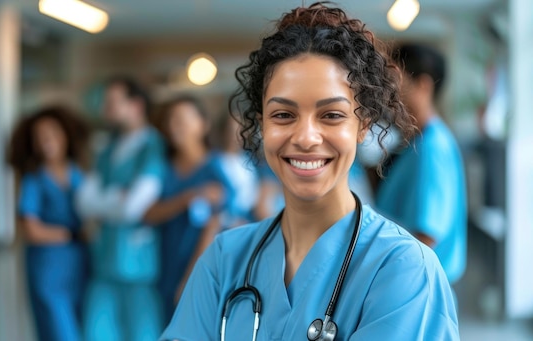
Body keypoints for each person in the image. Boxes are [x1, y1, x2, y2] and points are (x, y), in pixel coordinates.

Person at [160, 3, 459, 340]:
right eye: (283, 115)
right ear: (261, 126)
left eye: (331, 115)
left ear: (362, 126)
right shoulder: (224, 260)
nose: (304, 137)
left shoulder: (404, 269)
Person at [75, 76, 166, 341]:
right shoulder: (107, 149)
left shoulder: (152, 146)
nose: (106, 109)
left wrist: (105, 200)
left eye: (113, 102)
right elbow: (82, 202)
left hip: (138, 266)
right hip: (104, 261)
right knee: (97, 332)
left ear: (136, 105)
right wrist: (118, 197)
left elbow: (133, 208)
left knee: (142, 333)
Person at [376, 43, 467, 284]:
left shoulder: (432, 148)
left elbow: (426, 235)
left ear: (423, 86)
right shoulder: (418, 142)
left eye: (397, 83)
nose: (389, 94)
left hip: (417, 282)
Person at [143, 95, 232, 325]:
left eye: (183, 119)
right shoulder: (163, 168)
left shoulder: (214, 170)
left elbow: (213, 228)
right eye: (171, 120)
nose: (175, 126)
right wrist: (188, 197)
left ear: (204, 124)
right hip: (164, 266)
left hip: (198, 269)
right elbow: (149, 214)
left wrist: (192, 278)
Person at [7, 106, 90, 341]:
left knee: (81, 326)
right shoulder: (34, 179)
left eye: (52, 133)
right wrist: (72, 235)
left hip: (80, 263)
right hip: (48, 266)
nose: (47, 141)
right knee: (59, 331)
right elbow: (32, 230)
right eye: (39, 137)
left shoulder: (79, 174)